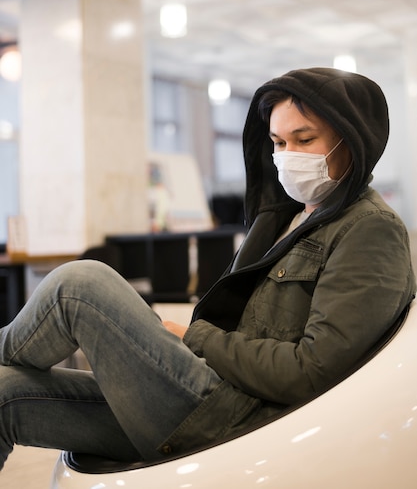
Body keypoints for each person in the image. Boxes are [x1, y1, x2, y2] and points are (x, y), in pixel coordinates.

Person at [0, 66, 415, 470]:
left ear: (352, 140)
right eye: (277, 142)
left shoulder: (369, 230)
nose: (286, 157)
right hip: (212, 388)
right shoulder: (283, 219)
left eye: (303, 139)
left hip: (237, 415)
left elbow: (312, 371)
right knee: (5, 392)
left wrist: (195, 337)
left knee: (81, 284)